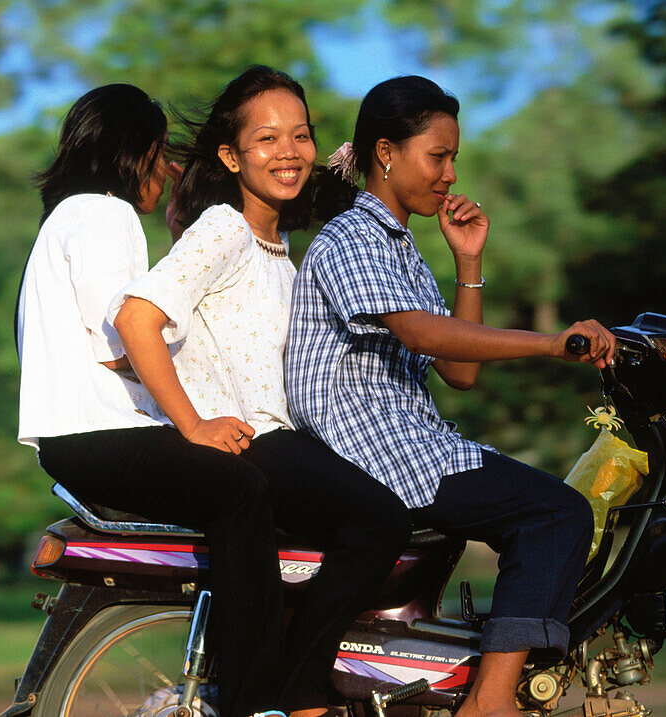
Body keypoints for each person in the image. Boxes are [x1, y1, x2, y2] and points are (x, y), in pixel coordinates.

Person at [285, 75, 614, 717]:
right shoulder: (350, 238)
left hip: (407, 441)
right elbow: (417, 330)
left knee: (542, 509)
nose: (449, 173)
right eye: (438, 156)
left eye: (452, 158)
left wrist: (468, 261)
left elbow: (458, 371)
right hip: (375, 448)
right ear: (386, 152)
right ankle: (491, 702)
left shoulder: (398, 247)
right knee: (556, 513)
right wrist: (553, 344)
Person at [109, 66, 411, 717]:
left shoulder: (280, 249)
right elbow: (138, 316)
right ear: (229, 154)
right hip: (255, 441)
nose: (287, 151)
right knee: (381, 517)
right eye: (267, 138)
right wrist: (192, 424)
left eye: (299, 136)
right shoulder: (224, 227)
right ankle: (299, 693)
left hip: (288, 439)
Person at [16, 83, 284, 717]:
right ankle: (257, 700)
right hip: (99, 434)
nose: (167, 170)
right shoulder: (104, 215)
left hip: (76, 437)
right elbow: (127, 340)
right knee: (245, 490)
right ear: (132, 151)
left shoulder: (69, 219)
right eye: (161, 152)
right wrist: (195, 422)